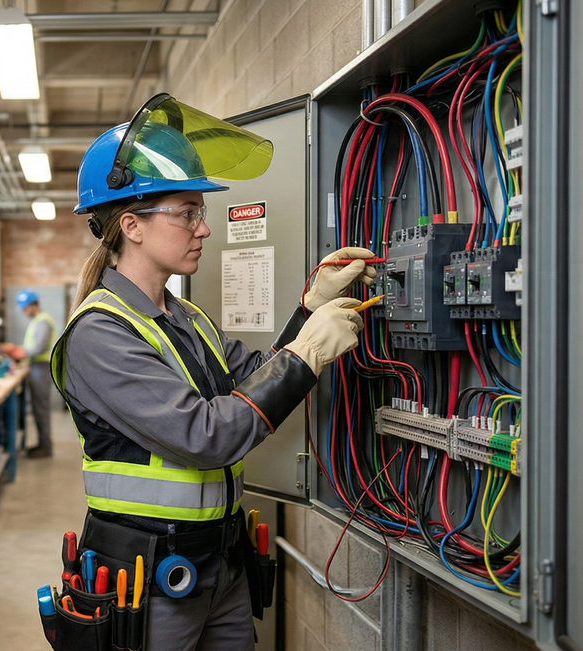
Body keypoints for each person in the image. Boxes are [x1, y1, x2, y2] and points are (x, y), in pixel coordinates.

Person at [49, 94, 376, 650]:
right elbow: (208, 434)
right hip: (149, 574)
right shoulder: (99, 335)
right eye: (187, 212)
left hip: (218, 563)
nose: (203, 228)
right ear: (131, 224)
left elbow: (253, 379)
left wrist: (309, 309)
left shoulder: (184, 316)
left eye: (201, 212)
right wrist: (308, 354)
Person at [14, 290, 59, 458]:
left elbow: (38, 348)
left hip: (41, 368)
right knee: (38, 407)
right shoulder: (37, 321)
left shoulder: (43, 321)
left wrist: (19, 353)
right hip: (35, 367)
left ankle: (45, 447)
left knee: (41, 408)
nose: (24, 312)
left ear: (33, 305)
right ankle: (42, 444)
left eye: (25, 308)